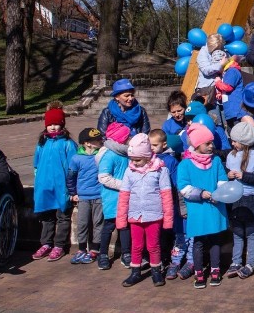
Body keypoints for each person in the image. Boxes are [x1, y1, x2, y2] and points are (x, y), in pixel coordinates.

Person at [116, 133, 173, 287]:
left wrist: (168, 219)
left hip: (154, 215)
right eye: (132, 159)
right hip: (135, 215)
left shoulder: (161, 170)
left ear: (148, 156)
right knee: (136, 245)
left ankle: (156, 271)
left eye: (138, 159)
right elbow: (124, 197)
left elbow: (166, 196)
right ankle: (135, 272)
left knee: (153, 245)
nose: (134, 162)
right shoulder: (129, 171)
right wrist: (121, 219)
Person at [178, 123, 229, 289]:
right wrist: (201, 193)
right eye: (207, 143)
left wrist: (219, 194)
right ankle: (199, 272)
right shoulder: (185, 164)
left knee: (215, 240)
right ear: (196, 144)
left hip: (215, 207)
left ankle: (215, 270)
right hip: (197, 209)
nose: (211, 146)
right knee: (198, 242)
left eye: (211, 142)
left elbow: (223, 181)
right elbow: (184, 187)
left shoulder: (215, 162)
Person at [32, 106, 77, 262]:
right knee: (46, 216)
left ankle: (59, 245)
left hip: (61, 187)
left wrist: (72, 189)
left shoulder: (68, 143)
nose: (52, 127)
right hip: (44, 187)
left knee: (63, 216)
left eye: (56, 123)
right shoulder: (42, 143)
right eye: (50, 124)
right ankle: (46, 243)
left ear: (62, 124)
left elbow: (73, 166)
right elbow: (36, 165)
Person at [225, 123, 254, 279]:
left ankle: (251, 262)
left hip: (251, 198)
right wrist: (229, 175)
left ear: (244, 141)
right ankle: (236, 262)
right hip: (235, 198)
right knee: (237, 232)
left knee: (251, 233)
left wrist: (244, 176)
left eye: (236, 141)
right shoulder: (231, 155)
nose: (233, 143)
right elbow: (227, 174)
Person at [149, 129, 187, 280]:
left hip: (169, 203)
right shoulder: (147, 159)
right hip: (153, 204)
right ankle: (162, 259)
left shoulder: (171, 161)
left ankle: (176, 261)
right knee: (159, 235)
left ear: (164, 144)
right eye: (149, 145)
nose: (151, 148)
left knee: (176, 233)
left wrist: (181, 206)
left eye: (154, 145)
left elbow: (177, 185)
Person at [66, 128, 105, 264]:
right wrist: (73, 193)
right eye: (97, 140)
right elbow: (71, 177)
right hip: (83, 196)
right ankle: (82, 249)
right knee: (82, 223)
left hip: (99, 195)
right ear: (87, 143)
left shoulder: (101, 155)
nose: (101, 141)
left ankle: (95, 249)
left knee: (98, 223)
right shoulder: (76, 158)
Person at [96, 122, 133, 270]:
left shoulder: (126, 153)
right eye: (127, 136)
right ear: (120, 139)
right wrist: (124, 185)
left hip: (126, 197)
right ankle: (103, 254)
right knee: (109, 226)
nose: (130, 138)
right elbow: (104, 177)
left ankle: (126, 253)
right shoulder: (110, 155)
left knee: (125, 227)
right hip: (112, 197)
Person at [194, 34, 227, 108]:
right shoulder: (203, 52)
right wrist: (220, 65)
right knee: (213, 116)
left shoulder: (223, 49)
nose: (217, 50)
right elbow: (206, 70)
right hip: (207, 91)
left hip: (221, 90)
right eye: (215, 49)